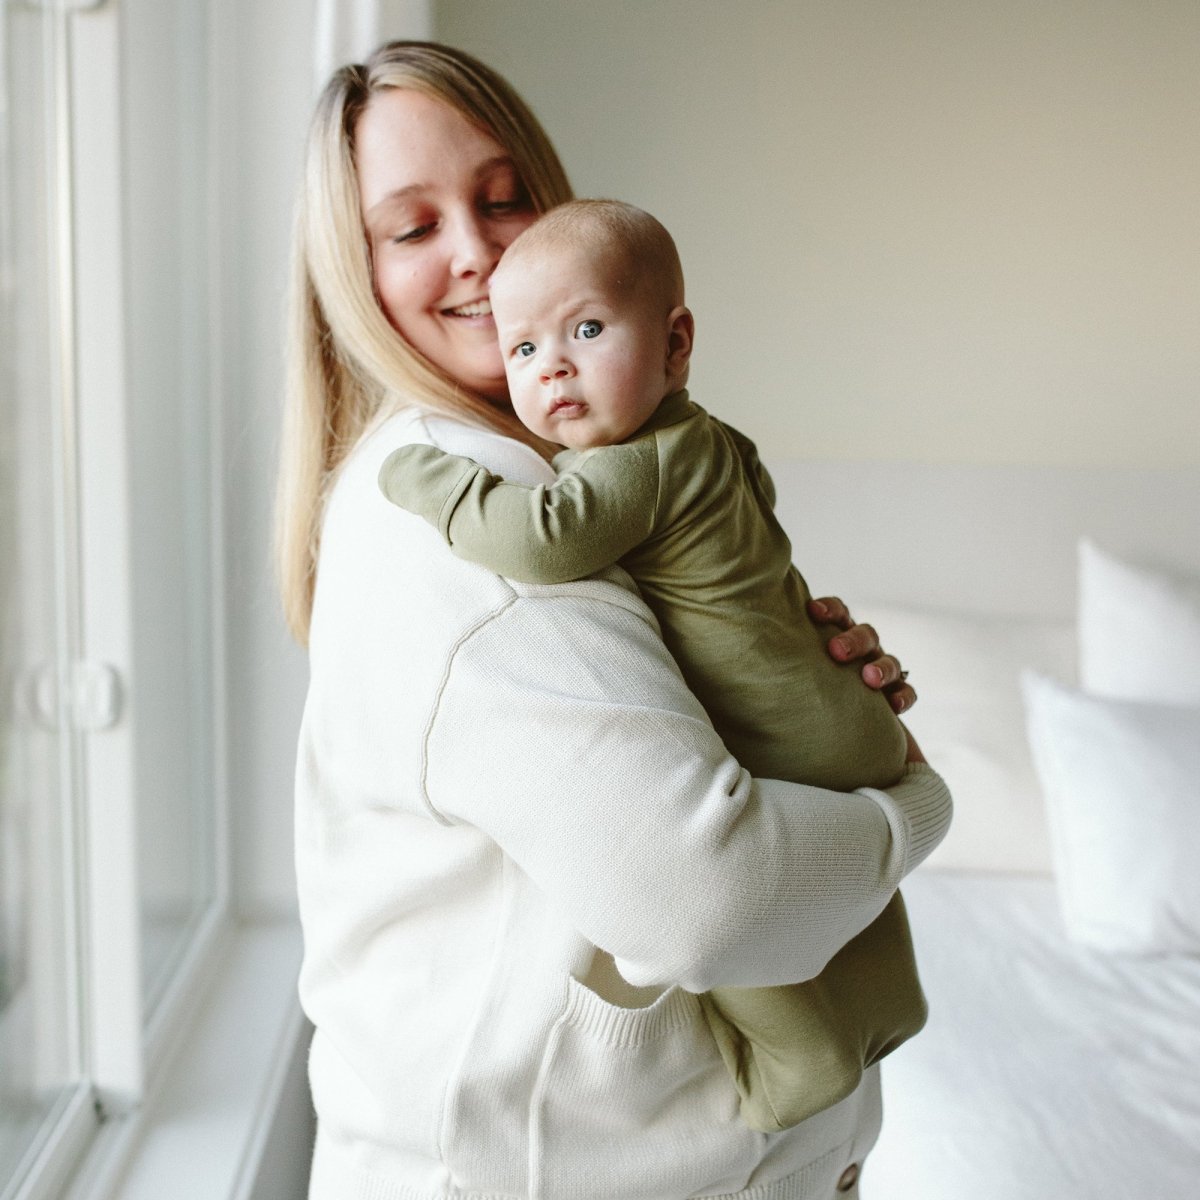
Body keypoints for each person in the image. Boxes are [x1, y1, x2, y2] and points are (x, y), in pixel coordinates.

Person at [277, 39, 951, 1200]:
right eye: (414, 227)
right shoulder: (464, 516)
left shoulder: (604, 461)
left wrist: (799, 681)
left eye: (504, 200)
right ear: (353, 275)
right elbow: (710, 898)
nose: (481, 252)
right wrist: (908, 803)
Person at [377, 198, 927, 1132]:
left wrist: (420, 474)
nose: (552, 365)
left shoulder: (637, 464)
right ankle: (891, 1004)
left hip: (780, 742)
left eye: (587, 330)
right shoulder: (719, 441)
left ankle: (801, 1069)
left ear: (675, 345)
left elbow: (543, 539)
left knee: (758, 946)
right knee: (860, 915)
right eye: (523, 348)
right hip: (846, 716)